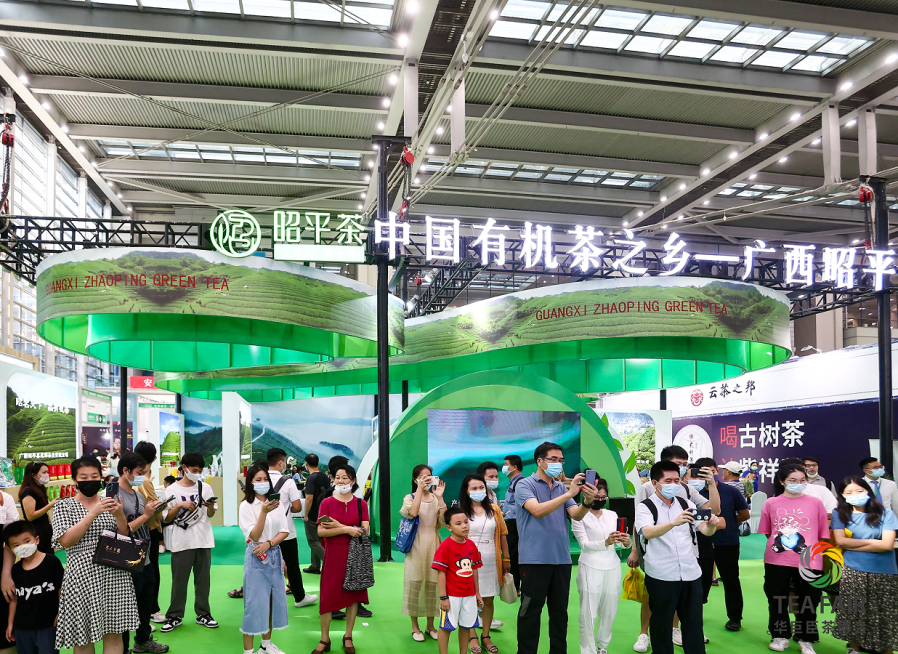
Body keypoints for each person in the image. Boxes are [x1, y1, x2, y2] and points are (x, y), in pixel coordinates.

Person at [629, 446, 719, 652]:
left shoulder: (686, 503)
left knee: (694, 624)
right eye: (668, 481)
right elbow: (646, 532)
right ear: (655, 483)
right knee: (660, 625)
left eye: (676, 481)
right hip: (662, 574)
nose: (673, 485)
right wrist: (673, 522)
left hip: (690, 573)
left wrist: (712, 525)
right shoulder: (646, 506)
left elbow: (705, 530)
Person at [515, 441, 597, 654]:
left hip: (561, 559)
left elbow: (576, 515)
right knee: (530, 612)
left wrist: (587, 501)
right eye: (553, 459)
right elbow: (537, 510)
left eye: (561, 460)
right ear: (539, 461)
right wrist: (569, 494)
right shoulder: (525, 485)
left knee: (560, 613)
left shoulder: (561, 488)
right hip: (534, 560)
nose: (558, 464)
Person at [52, 455, 138, 653]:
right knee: (83, 639)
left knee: (115, 634)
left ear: (101, 477)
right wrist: (92, 514)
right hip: (81, 576)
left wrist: (119, 515)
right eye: (83, 477)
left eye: (94, 476)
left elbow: (123, 537)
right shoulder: (64, 506)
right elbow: (66, 541)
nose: (89, 480)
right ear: (74, 480)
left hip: (114, 574)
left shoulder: (111, 503)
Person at [758, 463, 829, 654]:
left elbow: (822, 533)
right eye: (793, 480)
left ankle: (806, 639)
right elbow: (768, 532)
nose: (798, 484)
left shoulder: (815, 503)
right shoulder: (771, 503)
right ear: (782, 481)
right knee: (777, 599)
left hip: (809, 559)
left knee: (809, 600)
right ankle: (780, 636)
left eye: (802, 480)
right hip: (776, 560)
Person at [831, 476, 898, 654]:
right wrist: (874, 542)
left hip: (885, 571)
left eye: (859, 491)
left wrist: (852, 544)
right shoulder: (839, 514)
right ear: (842, 495)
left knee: (885, 614)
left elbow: (887, 545)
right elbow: (840, 541)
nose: (855, 495)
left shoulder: (886, 514)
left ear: (868, 491)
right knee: (853, 612)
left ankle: (886, 651)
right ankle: (854, 649)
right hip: (853, 570)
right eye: (849, 492)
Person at [314, 463, 370, 654]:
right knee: (327, 596)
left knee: (352, 596)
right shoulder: (326, 503)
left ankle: (348, 636)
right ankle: (324, 638)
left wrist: (338, 527)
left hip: (355, 555)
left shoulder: (361, 504)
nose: (340, 481)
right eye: (337, 477)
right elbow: (321, 531)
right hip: (333, 556)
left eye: (345, 477)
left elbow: (364, 530)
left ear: (353, 481)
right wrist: (346, 529)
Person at [161, 453, 218, 633]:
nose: (197, 473)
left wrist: (210, 507)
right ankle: (174, 615)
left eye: (200, 470)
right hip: (181, 541)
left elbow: (211, 514)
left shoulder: (205, 487)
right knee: (179, 581)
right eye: (194, 470)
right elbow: (166, 518)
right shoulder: (172, 490)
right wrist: (179, 506)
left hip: (203, 540)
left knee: (203, 581)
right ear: (184, 468)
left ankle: (203, 614)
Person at [118, 451, 169, 654]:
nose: (142, 477)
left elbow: (144, 527)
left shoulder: (138, 495)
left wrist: (154, 513)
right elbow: (120, 530)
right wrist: (147, 514)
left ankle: (143, 640)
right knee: (124, 608)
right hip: (124, 559)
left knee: (145, 602)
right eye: (140, 473)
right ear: (126, 470)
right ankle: (121, 648)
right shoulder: (113, 496)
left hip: (144, 556)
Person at [571, 477, 630, 654]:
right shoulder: (578, 515)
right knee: (588, 613)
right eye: (597, 497)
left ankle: (602, 646)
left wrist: (626, 542)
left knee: (610, 610)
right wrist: (605, 542)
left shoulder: (611, 515)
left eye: (604, 497)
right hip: (590, 566)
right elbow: (584, 544)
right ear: (587, 495)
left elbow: (620, 543)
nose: (600, 500)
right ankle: (588, 650)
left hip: (612, 566)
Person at [691, 457, 748, 631]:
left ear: (717, 471)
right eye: (704, 471)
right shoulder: (694, 493)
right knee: (700, 580)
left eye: (712, 471)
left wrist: (727, 524)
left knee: (731, 580)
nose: (710, 474)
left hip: (727, 542)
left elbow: (744, 514)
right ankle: (695, 615)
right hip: (701, 543)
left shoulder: (730, 491)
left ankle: (735, 618)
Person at [239, 463, 290, 654]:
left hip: (274, 553)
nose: (263, 482)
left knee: (272, 602)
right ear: (250, 483)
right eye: (258, 479)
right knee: (254, 604)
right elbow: (253, 536)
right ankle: (248, 651)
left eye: (265, 479)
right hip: (256, 557)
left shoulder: (277, 503)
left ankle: (266, 645)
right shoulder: (246, 506)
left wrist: (269, 544)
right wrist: (263, 512)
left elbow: (284, 530)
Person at [459, 474, 509, 654]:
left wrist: (506, 558)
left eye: (481, 487)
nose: (478, 491)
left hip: (491, 560)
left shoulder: (494, 509)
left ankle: (486, 636)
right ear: (467, 491)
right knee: (469, 599)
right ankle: (472, 635)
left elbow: (502, 534)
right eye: (474, 488)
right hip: (467, 561)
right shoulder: (461, 511)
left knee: (488, 599)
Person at [401, 464, 447, 642]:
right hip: (415, 544)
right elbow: (412, 513)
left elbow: (445, 522)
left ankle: (430, 626)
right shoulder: (409, 497)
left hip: (434, 543)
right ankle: (415, 627)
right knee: (415, 582)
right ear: (415, 480)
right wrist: (420, 490)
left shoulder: (436, 498)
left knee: (432, 583)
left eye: (429, 476)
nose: (426, 479)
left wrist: (440, 498)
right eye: (422, 477)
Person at [267, 448, 318, 609]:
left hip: (264, 531)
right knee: (292, 564)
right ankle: (299, 597)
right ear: (281, 462)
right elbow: (297, 507)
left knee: (263, 564)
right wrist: (285, 507)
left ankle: (265, 597)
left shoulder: (259, 480)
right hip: (285, 531)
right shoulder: (287, 482)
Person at [4, 520, 64, 654]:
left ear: (36, 540)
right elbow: (14, 600)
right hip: (22, 628)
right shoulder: (15, 570)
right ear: (11, 549)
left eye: (26, 541)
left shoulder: (51, 562)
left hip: (48, 626)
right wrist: (10, 623)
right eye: (16, 545)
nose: (23, 547)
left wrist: (62, 612)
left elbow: (61, 589)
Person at [433, 506, 483, 654]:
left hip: (469, 595)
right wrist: (443, 597)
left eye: (466, 522)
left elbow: (474, 570)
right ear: (449, 527)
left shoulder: (471, 545)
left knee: (466, 626)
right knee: (446, 627)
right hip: (451, 597)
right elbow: (441, 573)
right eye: (458, 523)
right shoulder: (445, 546)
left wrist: (477, 593)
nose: (464, 526)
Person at [134, 441, 166, 625]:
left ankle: (143, 614)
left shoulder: (136, 479)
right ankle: (151, 610)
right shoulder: (145, 481)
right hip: (148, 530)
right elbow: (157, 510)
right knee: (150, 572)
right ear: (154, 458)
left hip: (135, 529)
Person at [18, 461, 56, 556]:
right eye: (44, 472)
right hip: (35, 532)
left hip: (45, 531)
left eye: (47, 472)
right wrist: (50, 505)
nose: (47, 475)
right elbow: (30, 516)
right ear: (33, 475)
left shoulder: (40, 489)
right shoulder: (28, 492)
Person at [501, 455, 524, 593]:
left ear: (514, 467)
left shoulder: (520, 483)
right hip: (510, 522)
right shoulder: (513, 483)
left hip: (515, 523)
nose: (504, 467)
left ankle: (516, 586)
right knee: (512, 553)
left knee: (514, 555)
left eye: (506, 464)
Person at [302, 454, 328, 575]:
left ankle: (330, 563)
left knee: (313, 541)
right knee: (318, 540)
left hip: (313, 513)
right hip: (324, 512)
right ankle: (315, 566)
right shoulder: (324, 476)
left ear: (306, 463)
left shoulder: (311, 478)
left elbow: (309, 498)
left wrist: (305, 514)